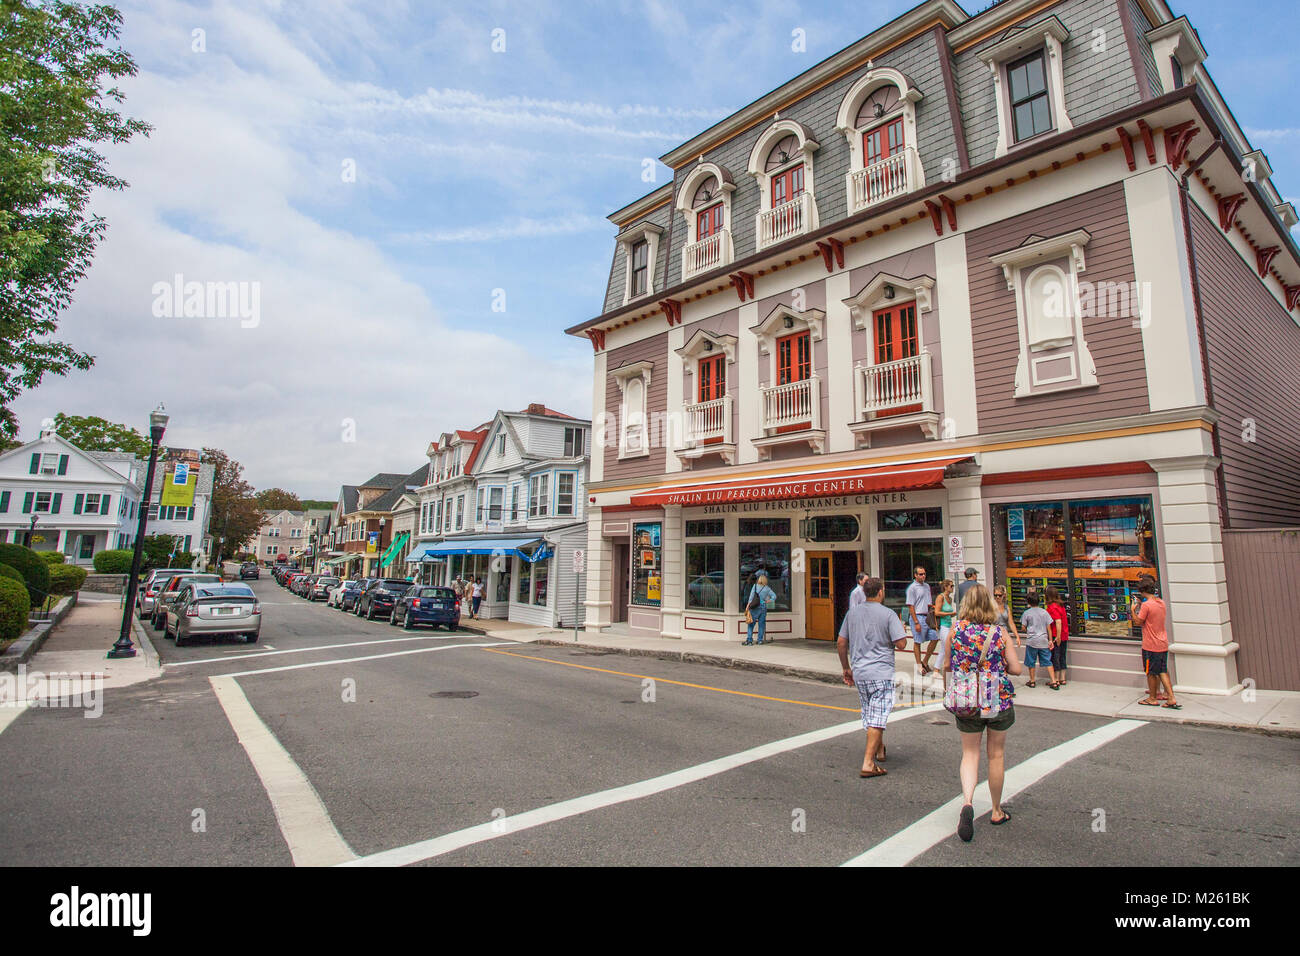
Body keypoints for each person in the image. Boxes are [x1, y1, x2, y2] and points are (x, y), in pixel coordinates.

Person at [942, 583, 1022, 841]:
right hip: (995, 696)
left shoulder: (955, 631)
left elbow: (946, 665)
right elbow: (1017, 669)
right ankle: (996, 810)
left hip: (967, 698)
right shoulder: (999, 633)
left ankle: (967, 802)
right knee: (996, 755)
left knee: (970, 753)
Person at [838, 576, 908, 778]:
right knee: (877, 717)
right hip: (881, 671)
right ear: (880, 592)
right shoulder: (888, 614)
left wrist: (846, 667)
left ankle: (879, 749)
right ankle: (868, 763)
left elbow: (841, 643)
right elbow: (901, 644)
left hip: (860, 671)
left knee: (871, 713)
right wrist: (900, 630)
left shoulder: (852, 613)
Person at [1131, 576, 1179, 709]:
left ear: (1142, 591)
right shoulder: (1160, 602)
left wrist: (1133, 610)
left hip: (1150, 644)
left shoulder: (1146, 605)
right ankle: (1171, 696)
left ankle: (1152, 698)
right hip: (1162, 642)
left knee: (1151, 672)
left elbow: (1138, 622)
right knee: (1162, 670)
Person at [1019, 589, 1056, 689]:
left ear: (1028, 602)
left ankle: (1032, 681)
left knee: (1031, 661)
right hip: (1043, 640)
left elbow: (1023, 627)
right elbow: (1049, 627)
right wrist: (1050, 640)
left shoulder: (1026, 613)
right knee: (1048, 661)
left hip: (1032, 640)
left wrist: (1026, 628)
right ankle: (1054, 681)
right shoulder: (1044, 612)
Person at [906, 566, 939, 676]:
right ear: (915, 575)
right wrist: (916, 622)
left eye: (924, 574)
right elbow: (911, 606)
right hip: (918, 616)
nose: (923, 576)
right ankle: (919, 666)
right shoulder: (912, 588)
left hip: (927, 616)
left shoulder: (927, 586)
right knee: (918, 641)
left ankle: (925, 661)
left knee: (934, 637)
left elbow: (929, 603)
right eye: (920, 574)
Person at [1045, 585, 1069, 686]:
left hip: (1056, 635)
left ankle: (1056, 678)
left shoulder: (1052, 607)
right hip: (1064, 634)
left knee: (1055, 657)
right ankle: (1063, 678)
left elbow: (1058, 621)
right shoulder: (1061, 605)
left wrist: (1057, 637)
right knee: (1062, 656)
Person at [743, 573, 776, 645]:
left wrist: (747, 606)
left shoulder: (755, 586)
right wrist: (768, 601)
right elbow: (774, 596)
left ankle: (749, 640)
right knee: (761, 624)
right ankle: (760, 640)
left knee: (751, 624)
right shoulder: (767, 588)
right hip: (763, 607)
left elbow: (751, 597)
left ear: (759, 580)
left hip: (754, 607)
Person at [992, 585, 1021, 651]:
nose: (997, 597)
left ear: (1003, 595)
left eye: (999, 595)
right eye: (995, 595)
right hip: (994, 634)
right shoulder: (991, 607)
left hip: (1005, 634)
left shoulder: (1006, 607)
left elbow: (1011, 623)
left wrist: (1017, 636)